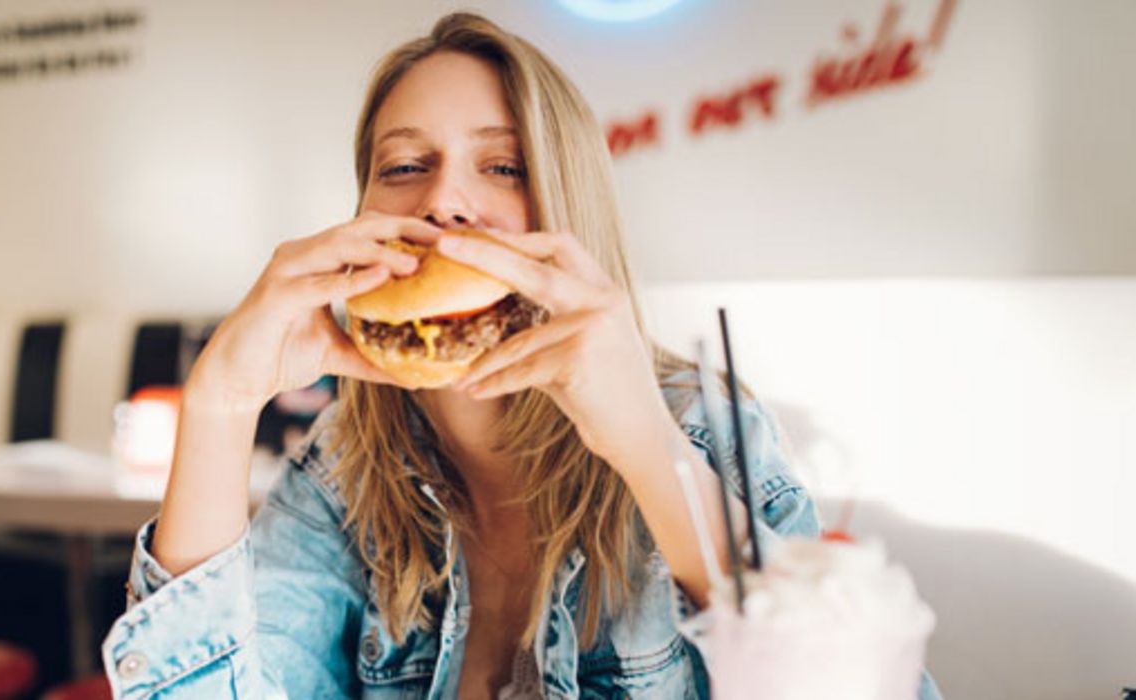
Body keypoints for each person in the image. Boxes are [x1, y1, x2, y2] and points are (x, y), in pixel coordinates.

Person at [103, 12, 940, 700]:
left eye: (502, 165)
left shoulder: (699, 424)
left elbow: (857, 685)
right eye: (403, 166)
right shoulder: (342, 469)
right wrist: (218, 403)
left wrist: (646, 449)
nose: (444, 201)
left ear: (564, 206)